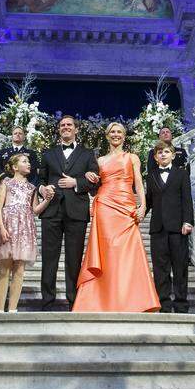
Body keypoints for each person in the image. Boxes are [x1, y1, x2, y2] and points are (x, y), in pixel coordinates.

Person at [71, 122, 161, 313]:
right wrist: (90, 176)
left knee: (127, 253)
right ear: (107, 135)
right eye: (112, 131)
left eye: (119, 131)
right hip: (105, 205)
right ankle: (99, 300)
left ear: (124, 135)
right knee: (106, 252)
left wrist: (143, 205)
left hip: (126, 206)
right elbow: (94, 184)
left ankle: (131, 300)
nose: (116, 134)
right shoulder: (100, 160)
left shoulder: (132, 157)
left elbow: (138, 183)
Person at [37, 115, 100, 310]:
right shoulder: (48, 153)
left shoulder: (88, 154)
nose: (65, 127)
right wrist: (42, 190)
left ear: (76, 129)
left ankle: (74, 301)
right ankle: (47, 301)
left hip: (76, 212)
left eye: (69, 125)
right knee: (49, 258)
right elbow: (39, 180)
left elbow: (95, 181)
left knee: (74, 259)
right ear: (59, 129)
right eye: (62, 125)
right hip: (52, 211)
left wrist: (76, 183)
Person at [0, 153, 52, 312]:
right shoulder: (6, 182)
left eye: (29, 161)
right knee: (4, 269)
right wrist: (1, 227)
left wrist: (47, 200)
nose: (29, 164)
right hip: (8, 226)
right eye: (25, 161)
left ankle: (12, 309)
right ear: (15, 167)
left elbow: (35, 210)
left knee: (19, 270)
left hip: (25, 229)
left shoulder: (32, 188)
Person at [145, 141, 194, 313]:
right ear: (155, 156)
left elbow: (187, 199)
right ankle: (164, 303)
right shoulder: (150, 176)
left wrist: (188, 221)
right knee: (160, 268)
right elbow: (148, 201)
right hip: (158, 228)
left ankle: (181, 303)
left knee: (180, 267)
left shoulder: (181, 174)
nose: (163, 154)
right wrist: (137, 215)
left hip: (178, 228)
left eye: (166, 151)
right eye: (159, 152)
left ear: (173, 155)